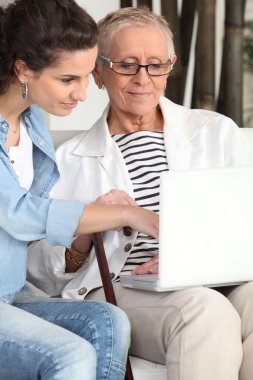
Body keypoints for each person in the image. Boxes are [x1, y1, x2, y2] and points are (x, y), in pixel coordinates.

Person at [27, 6, 253, 380]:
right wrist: (85, 227)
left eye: (155, 65)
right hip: (118, 286)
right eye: (127, 65)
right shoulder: (64, 160)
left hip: (217, 278)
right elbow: (39, 272)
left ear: (171, 65)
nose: (142, 78)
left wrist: (189, 260)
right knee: (205, 311)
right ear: (98, 71)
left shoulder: (216, 131)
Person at [0, 2, 159, 379]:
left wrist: (93, 215)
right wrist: (128, 213)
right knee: (70, 355)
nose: (83, 94)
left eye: (87, 77)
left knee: (109, 321)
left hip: (10, 290)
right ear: (23, 68)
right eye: (68, 79)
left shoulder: (32, 116)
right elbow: (19, 213)